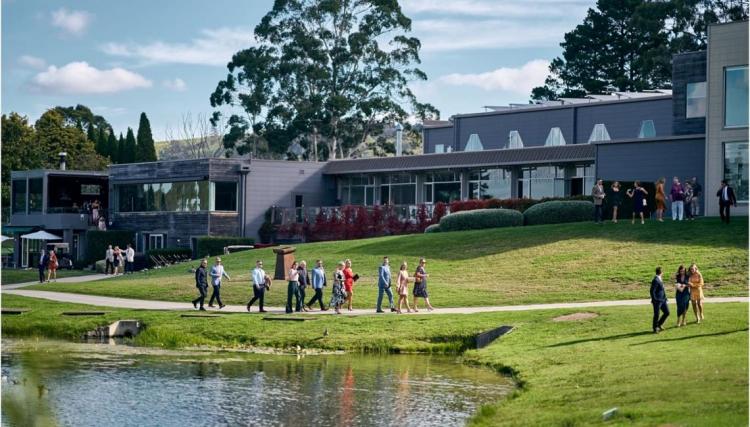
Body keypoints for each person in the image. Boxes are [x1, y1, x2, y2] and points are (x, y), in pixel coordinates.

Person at [650, 266, 669, 333]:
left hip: (663, 300)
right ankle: (655, 328)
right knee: (656, 314)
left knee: (667, 312)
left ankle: (659, 324)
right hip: (657, 301)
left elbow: (662, 290)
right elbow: (652, 291)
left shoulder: (660, 278)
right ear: (661, 272)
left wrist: (665, 298)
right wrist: (655, 300)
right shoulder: (655, 280)